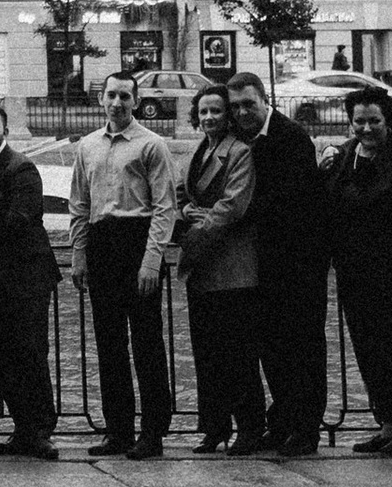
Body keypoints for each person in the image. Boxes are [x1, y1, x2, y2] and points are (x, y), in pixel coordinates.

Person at [65, 72, 178, 459]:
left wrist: (151, 261)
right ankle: (118, 431)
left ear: (136, 100)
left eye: (125, 96)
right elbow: (79, 204)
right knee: (109, 344)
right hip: (102, 245)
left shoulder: (152, 145)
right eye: (111, 95)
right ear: (102, 100)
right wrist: (79, 254)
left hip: (137, 241)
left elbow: (165, 206)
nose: (117, 102)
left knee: (147, 343)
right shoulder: (87, 146)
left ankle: (153, 433)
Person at [322, 86, 392, 455]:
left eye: (374, 121)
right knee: (367, 349)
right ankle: (387, 424)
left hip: (391, 270)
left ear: (389, 121)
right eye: (359, 121)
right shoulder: (344, 155)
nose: (366, 128)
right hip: (351, 269)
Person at [233, 72, 333, 452]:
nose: (242, 111)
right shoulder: (249, 139)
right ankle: (284, 421)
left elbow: (285, 200)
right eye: (237, 106)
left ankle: (306, 429)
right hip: (268, 262)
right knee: (273, 347)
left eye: (249, 104)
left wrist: (232, 213)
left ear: (265, 100)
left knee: (303, 346)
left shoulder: (290, 137)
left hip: (300, 262)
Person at [0, 96, 61, 455]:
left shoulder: (20, 168)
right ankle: (24, 428)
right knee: (3, 356)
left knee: (29, 354)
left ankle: (39, 430)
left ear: (5, 129)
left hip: (26, 279)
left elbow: (18, 220)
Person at [172, 82, 262, 452]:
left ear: (228, 116)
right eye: (204, 111)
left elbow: (233, 207)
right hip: (203, 269)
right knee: (206, 352)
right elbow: (179, 193)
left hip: (233, 266)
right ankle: (215, 427)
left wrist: (193, 231)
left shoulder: (240, 152)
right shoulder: (196, 152)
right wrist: (185, 212)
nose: (209, 117)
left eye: (216, 111)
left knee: (238, 353)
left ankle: (250, 428)